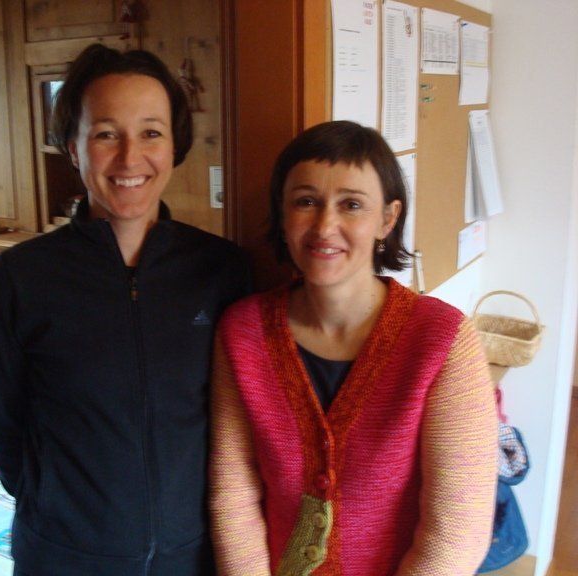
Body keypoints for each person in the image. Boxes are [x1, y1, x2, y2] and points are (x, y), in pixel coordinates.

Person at [0, 43, 251, 576]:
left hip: (192, 557)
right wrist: (61, 513)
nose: (129, 158)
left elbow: (235, 423)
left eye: (151, 133)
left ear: (174, 145)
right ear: (73, 149)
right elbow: (6, 433)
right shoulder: (19, 279)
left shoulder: (222, 270)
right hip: (63, 557)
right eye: (105, 134)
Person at [209, 121, 498, 575]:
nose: (325, 225)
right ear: (282, 215)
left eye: (352, 204)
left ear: (387, 219)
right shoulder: (242, 332)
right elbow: (234, 493)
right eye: (306, 201)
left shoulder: (442, 340)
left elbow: (457, 532)